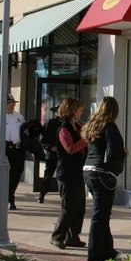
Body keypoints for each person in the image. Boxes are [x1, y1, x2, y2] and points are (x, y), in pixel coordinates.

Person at [82, 96, 125, 261]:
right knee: (100, 216)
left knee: (102, 213)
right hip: (103, 173)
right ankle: (94, 256)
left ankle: (107, 251)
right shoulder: (109, 126)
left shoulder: (92, 125)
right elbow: (115, 151)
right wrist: (123, 155)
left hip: (88, 171)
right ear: (114, 111)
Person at [52, 98, 88, 249]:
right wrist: (85, 139)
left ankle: (73, 237)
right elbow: (70, 148)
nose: (81, 112)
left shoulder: (78, 127)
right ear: (72, 111)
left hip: (77, 171)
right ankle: (57, 236)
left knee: (80, 206)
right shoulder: (64, 129)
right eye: (79, 110)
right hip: (66, 173)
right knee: (69, 206)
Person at [0, 95, 26, 210]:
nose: (12, 106)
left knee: (17, 173)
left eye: (13, 104)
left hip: (18, 149)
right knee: (6, 175)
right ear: (4, 105)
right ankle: (9, 199)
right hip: (6, 149)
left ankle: (10, 196)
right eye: (10, 104)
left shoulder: (19, 117)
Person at [39, 106, 62, 203]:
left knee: (62, 177)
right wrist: (49, 147)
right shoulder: (51, 123)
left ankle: (64, 197)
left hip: (64, 155)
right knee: (48, 175)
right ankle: (42, 195)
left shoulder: (69, 123)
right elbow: (43, 139)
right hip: (52, 153)